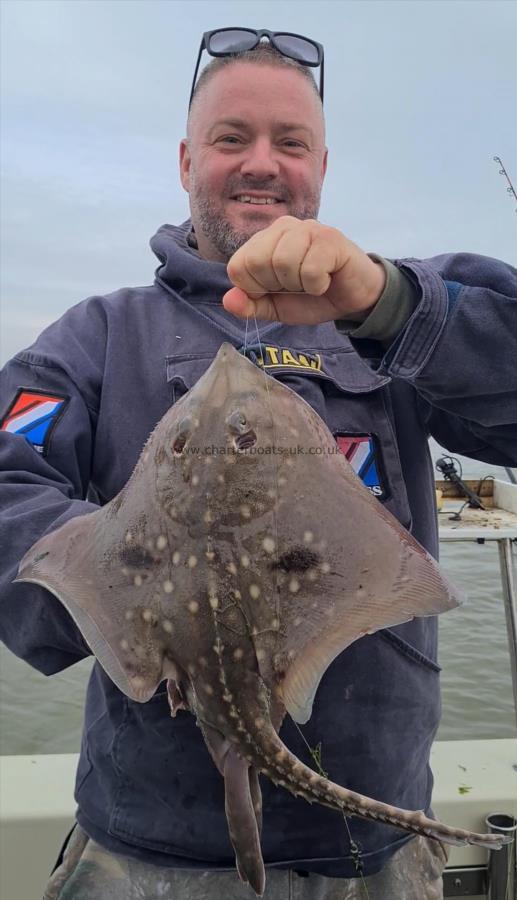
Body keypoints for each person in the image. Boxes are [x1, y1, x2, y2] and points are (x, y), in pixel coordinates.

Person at [1, 28, 516, 900]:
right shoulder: (100, 335)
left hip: (373, 844)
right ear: (185, 160)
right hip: (147, 847)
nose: (261, 164)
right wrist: (132, 605)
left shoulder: (389, 315)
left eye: (290, 143)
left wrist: (389, 305)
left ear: (322, 165)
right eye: (230, 138)